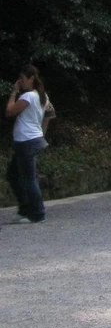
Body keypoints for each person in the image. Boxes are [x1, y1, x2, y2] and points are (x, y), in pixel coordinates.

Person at [6, 65, 49, 223]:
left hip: (27, 141)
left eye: (22, 79)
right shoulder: (42, 95)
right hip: (29, 140)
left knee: (28, 179)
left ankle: (37, 213)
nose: (20, 82)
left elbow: (9, 111)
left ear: (31, 79)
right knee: (13, 175)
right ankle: (25, 209)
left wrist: (14, 92)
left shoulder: (29, 96)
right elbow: (47, 115)